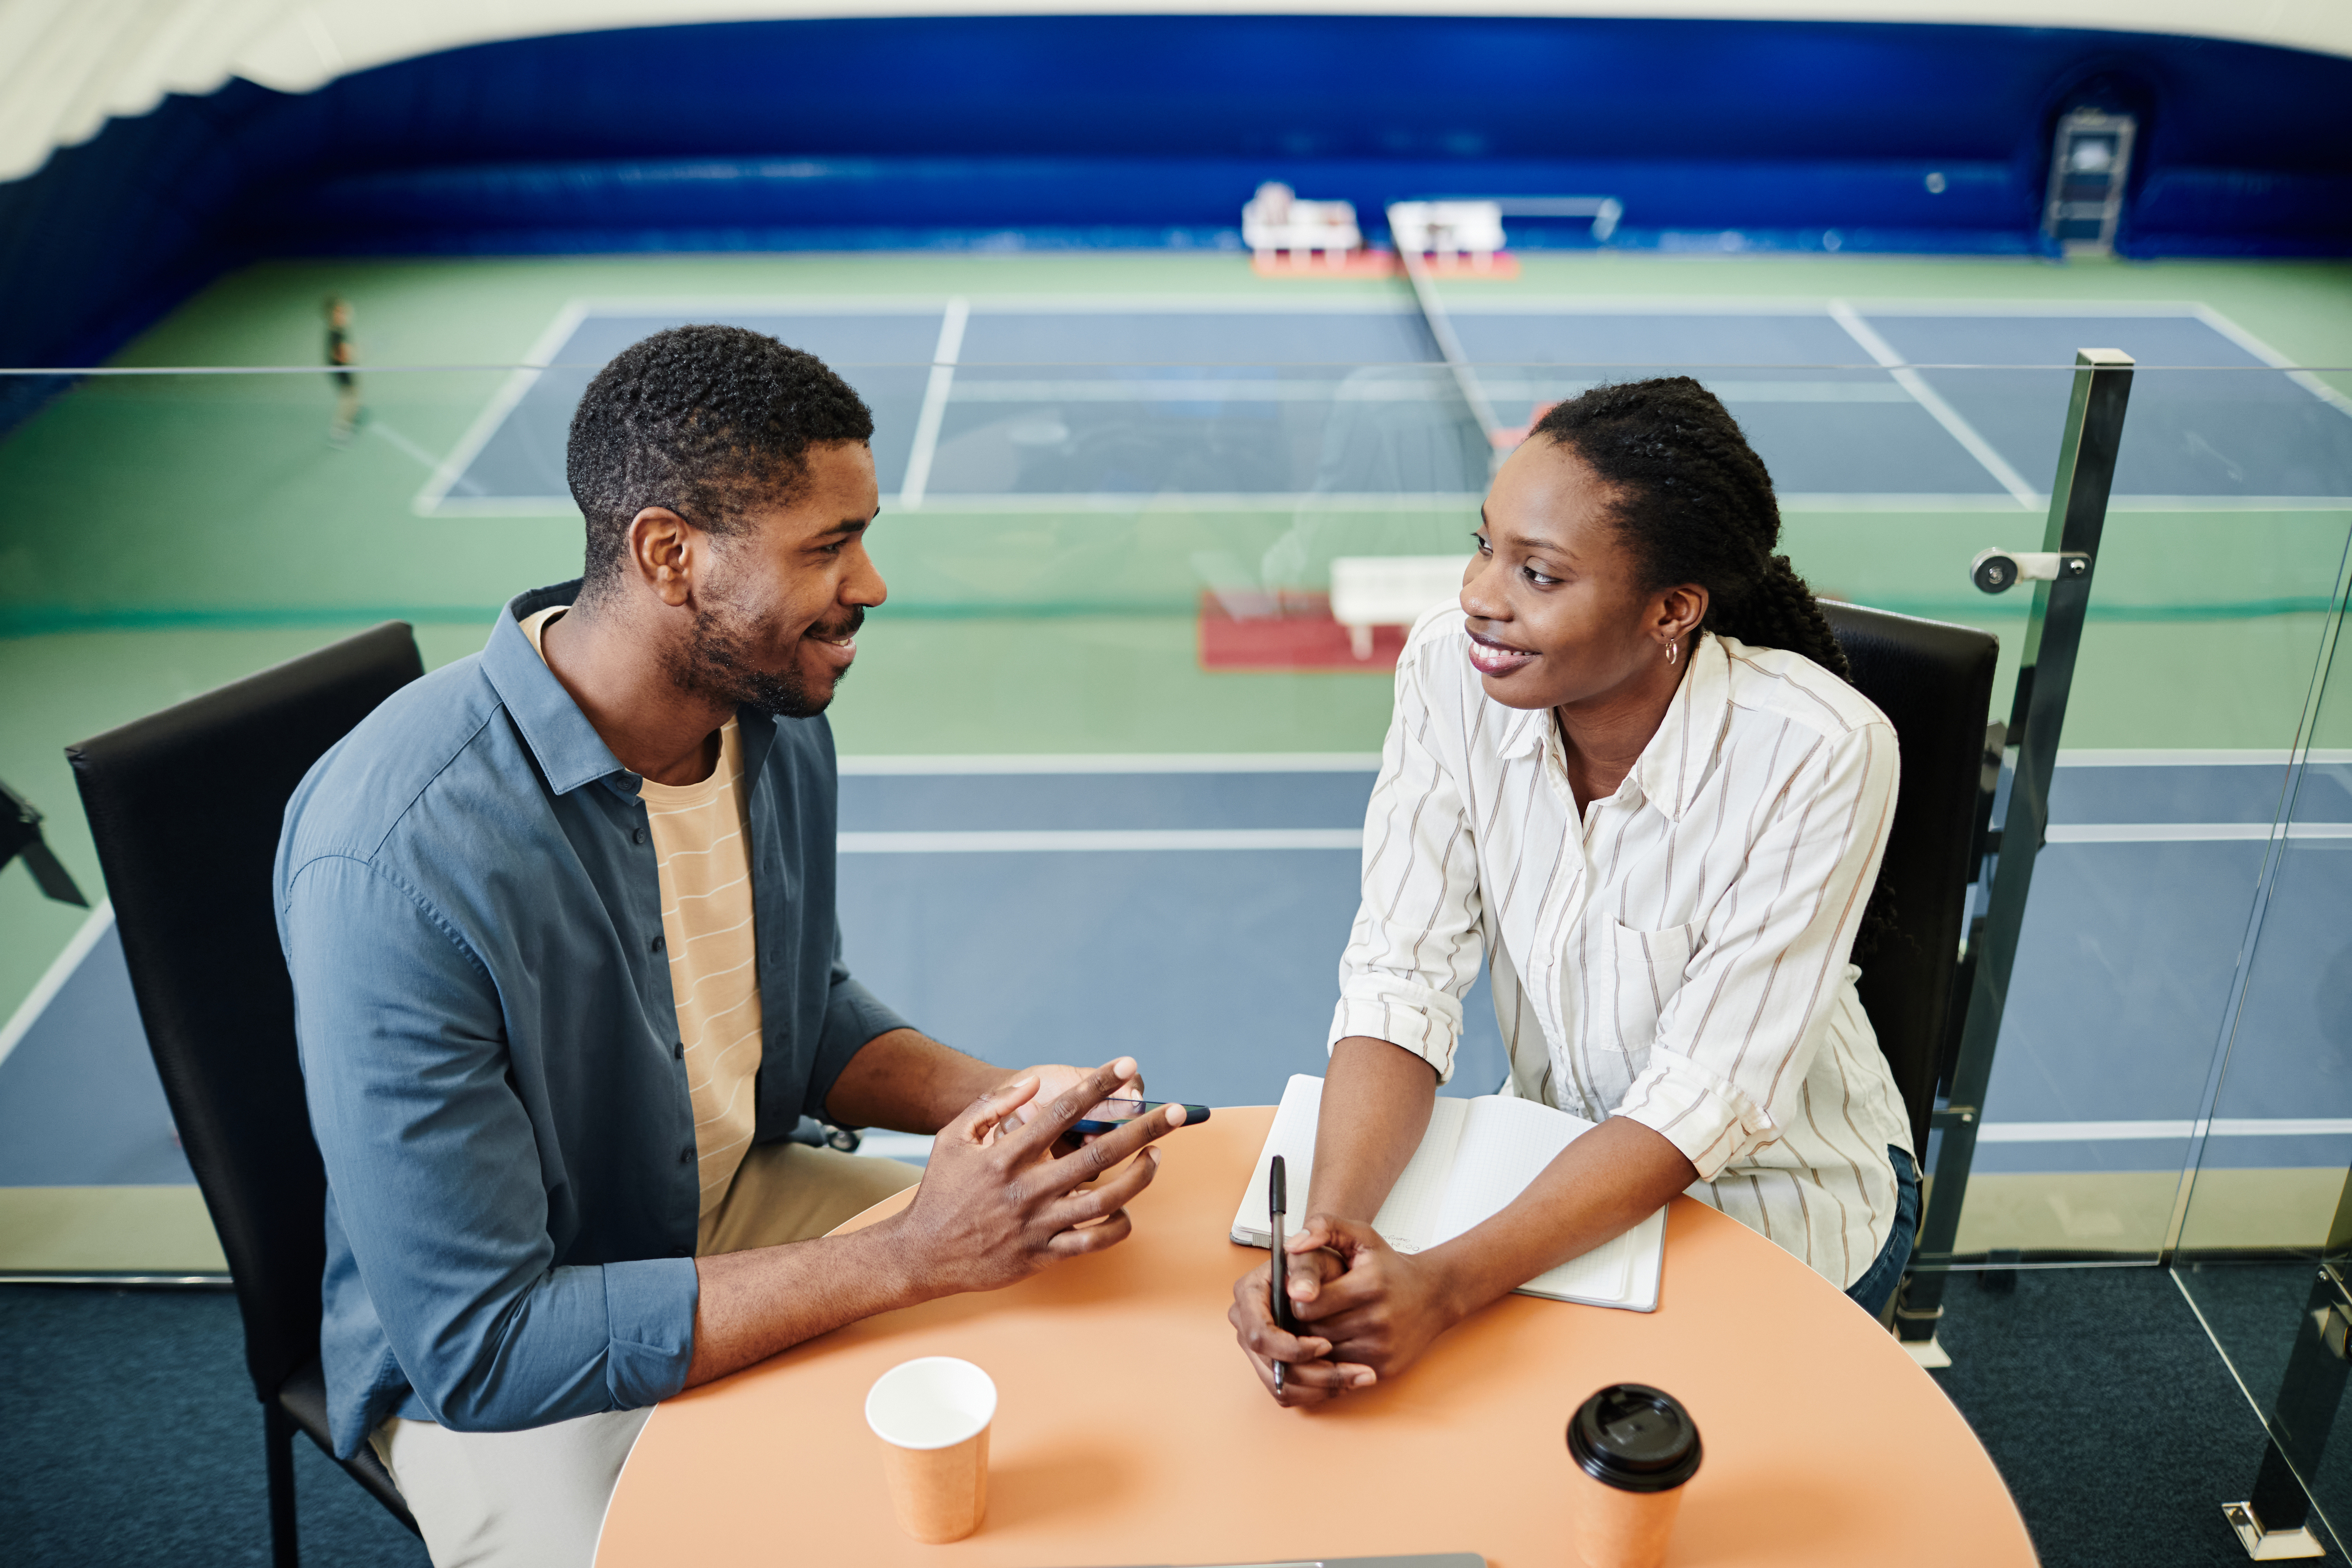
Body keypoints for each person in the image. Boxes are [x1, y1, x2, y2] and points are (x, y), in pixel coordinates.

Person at [277, 323, 1183, 1566]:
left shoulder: (771, 717)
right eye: (827, 546)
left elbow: (797, 1016)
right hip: (504, 1360)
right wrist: (915, 1256)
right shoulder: (396, 856)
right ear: (669, 556)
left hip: (727, 1198)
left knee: (1085, 1300)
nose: (868, 584)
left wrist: (1008, 1105)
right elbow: (483, 1342)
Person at [1230, 377, 1918, 1406]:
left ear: (1669, 610)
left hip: (1780, 1203)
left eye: (1538, 573)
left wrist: (1443, 1283)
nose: (1478, 594)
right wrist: (1329, 1236)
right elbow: (1399, 975)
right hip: (1552, 1160)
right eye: (1483, 544)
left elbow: (1703, 1092)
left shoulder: (1819, 749)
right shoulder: (1444, 670)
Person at [324, 296, 361, 444]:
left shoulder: (341, 329)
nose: (345, 315)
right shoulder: (336, 334)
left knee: (353, 394)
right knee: (348, 398)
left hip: (344, 368)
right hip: (340, 371)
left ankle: (353, 416)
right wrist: (354, 352)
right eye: (340, 312)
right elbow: (341, 356)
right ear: (332, 315)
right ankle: (339, 430)